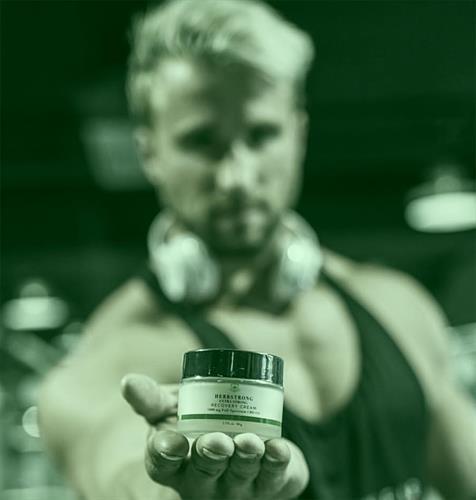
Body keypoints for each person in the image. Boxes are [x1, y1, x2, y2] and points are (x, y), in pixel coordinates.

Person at [38, 0, 476, 499]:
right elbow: (118, 470)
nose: (238, 177)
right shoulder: (111, 360)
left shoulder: (400, 309)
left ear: (299, 135)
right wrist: (176, 488)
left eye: (262, 135)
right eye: (201, 141)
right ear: (149, 153)